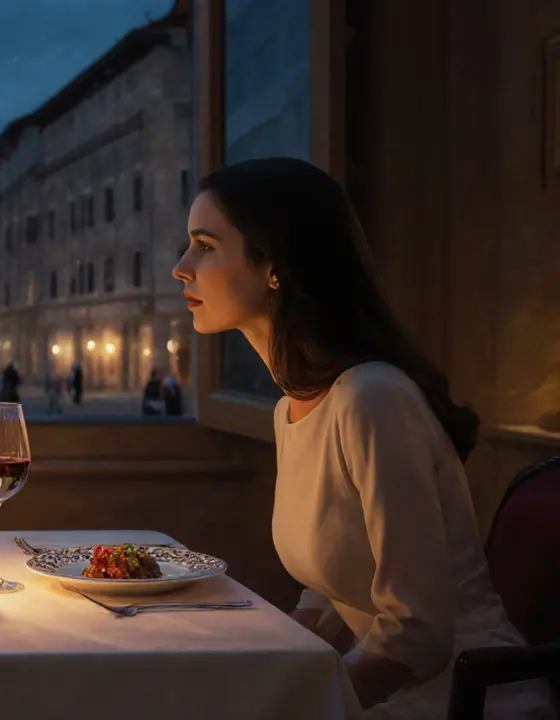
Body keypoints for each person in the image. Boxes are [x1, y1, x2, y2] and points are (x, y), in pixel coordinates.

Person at [172, 157, 552, 719]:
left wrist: (302, 703)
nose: (182, 267)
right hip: (385, 693)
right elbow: (330, 590)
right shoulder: (292, 411)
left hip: (465, 702)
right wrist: (268, 666)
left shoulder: (372, 399)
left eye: (205, 245)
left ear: (273, 264)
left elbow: (418, 633)